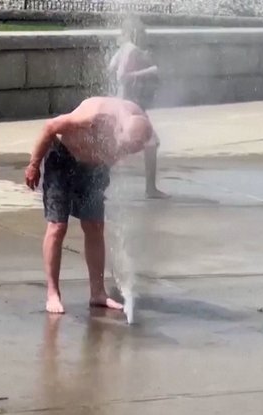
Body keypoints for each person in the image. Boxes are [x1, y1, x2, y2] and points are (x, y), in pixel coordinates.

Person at [24, 96, 153, 314]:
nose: (128, 151)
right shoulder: (93, 118)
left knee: (94, 225)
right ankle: (53, 293)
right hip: (63, 160)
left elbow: (136, 143)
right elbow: (50, 127)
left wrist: (117, 155)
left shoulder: (137, 120)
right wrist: (34, 165)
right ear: (118, 130)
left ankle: (98, 293)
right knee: (57, 226)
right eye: (127, 147)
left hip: (93, 169)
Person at [108, 15, 168, 199]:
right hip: (130, 105)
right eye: (141, 31)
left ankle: (96, 186)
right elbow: (122, 77)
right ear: (134, 32)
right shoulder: (132, 49)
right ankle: (151, 189)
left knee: (115, 144)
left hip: (122, 102)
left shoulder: (123, 49)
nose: (144, 34)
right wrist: (150, 71)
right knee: (151, 142)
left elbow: (111, 69)